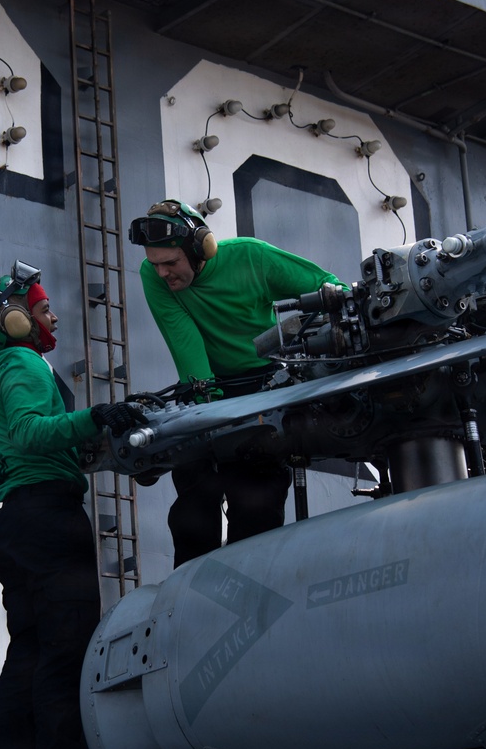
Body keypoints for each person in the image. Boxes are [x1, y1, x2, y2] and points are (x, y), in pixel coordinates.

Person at [0, 262, 142, 749]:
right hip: (48, 519)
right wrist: (94, 417)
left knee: (26, 660)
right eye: (43, 308)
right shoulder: (22, 362)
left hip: (19, 522)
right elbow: (28, 431)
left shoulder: (3, 366)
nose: (53, 316)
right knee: (64, 659)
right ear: (15, 319)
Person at [128, 199, 340, 567]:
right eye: (156, 264)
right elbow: (185, 342)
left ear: (201, 249)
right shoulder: (153, 275)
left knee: (256, 508)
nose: (163, 273)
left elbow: (329, 290)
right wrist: (209, 414)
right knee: (192, 509)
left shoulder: (251, 257)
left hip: (265, 388)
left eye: (171, 263)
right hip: (204, 389)